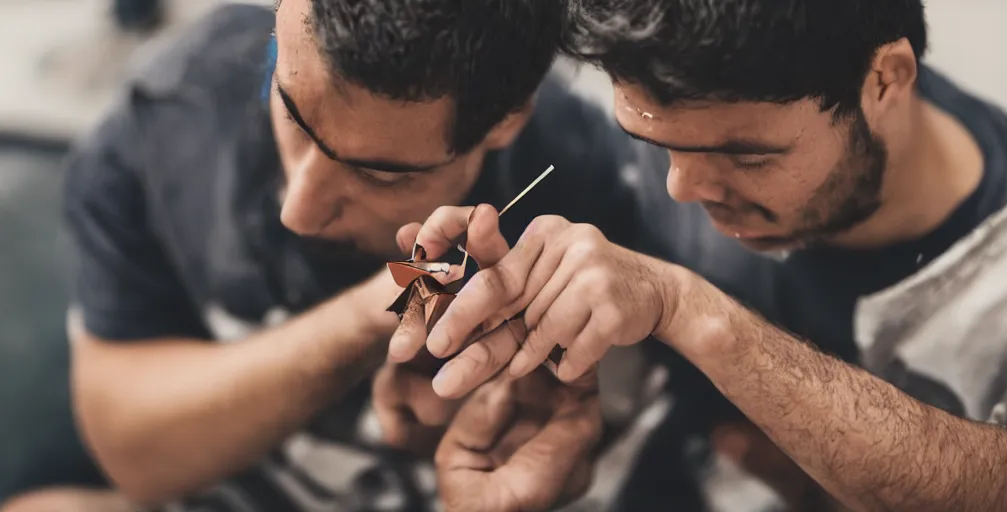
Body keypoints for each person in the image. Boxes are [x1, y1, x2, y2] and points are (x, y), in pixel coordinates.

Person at [390, 0, 1007, 510]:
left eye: (745, 156)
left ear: (885, 81)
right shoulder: (684, 99)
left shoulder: (1006, 285)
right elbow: (462, 176)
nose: (682, 189)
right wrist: (422, 321)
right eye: (649, 141)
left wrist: (689, 312)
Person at [37, 0, 648, 511]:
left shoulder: (591, 183)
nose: (298, 210)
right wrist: (384, 309)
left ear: (506, 122)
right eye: (293, 113)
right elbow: (134, 454)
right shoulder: (167, 119)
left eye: (377, 175)